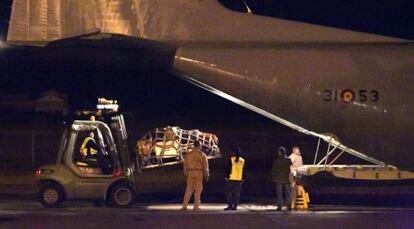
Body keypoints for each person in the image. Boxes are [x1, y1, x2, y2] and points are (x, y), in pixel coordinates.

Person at [182, 141, 209, 210]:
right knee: (198, 189)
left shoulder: (188, 154)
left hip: (190, 173)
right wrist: (206, 175)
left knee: (188, 189)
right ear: (199, 145)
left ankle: (185, 205)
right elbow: (205, 166)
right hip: (199, 172)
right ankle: (196, 205)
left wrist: (185, 173)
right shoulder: (202, 155)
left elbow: (185, 165)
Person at [272, 147, 292, 211]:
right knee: (288, 193)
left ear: (280, 153)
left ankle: (279, 206)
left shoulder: (276, 161)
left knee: (279, 194)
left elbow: (274, 170)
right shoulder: (288, 160)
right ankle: (289, 206)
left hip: (279, 179)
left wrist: (274, 178)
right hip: (287, 179)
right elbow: (291, 168)